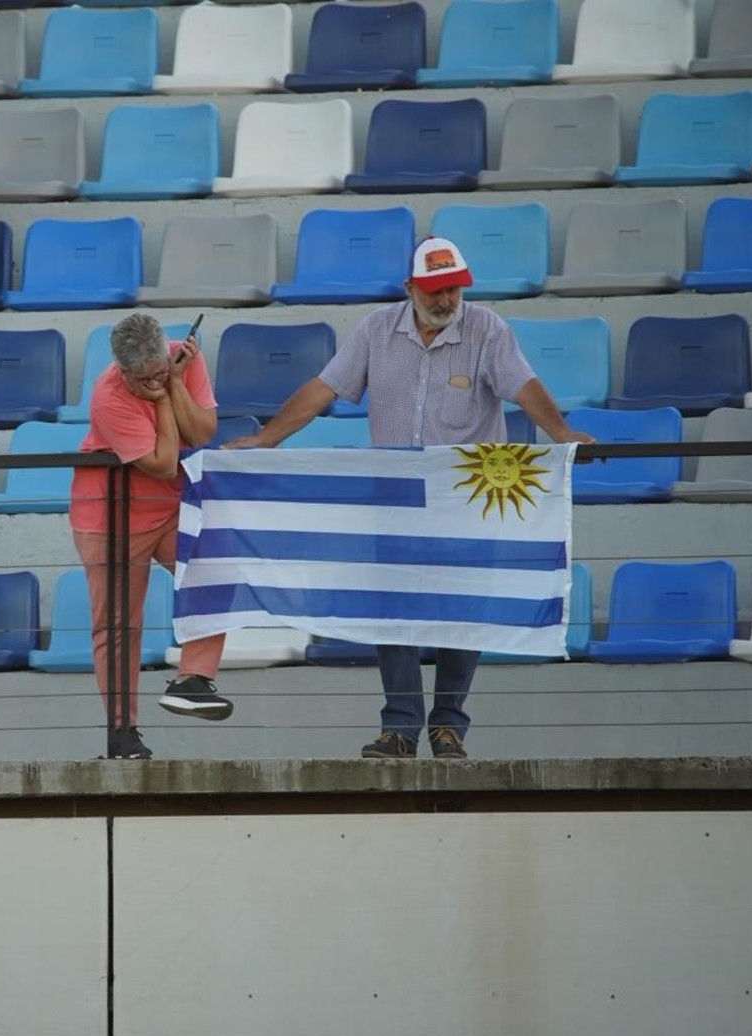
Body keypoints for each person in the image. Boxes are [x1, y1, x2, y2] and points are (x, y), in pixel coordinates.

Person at [228, 237, 593, 761]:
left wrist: (560, 432)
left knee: (461, 612)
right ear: (410, 288)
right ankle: (400, 728)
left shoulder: (487, 327)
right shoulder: (377, 329)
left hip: (464, 500)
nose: (447, 301)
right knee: (394, 614)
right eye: (435, 291)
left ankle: (449, 727)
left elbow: (523, 385)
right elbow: (325, 388)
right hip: (395, 498)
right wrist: (267, 439)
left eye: (454, 290)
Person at [69, 313, 230, 760]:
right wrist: (164, 398)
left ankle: (194, 678)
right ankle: (122, 733)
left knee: (214, 567)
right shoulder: (107, 396)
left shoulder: (182, 357)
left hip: (169, 506)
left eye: (161, 368)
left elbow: (202, 433)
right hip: (108, 515)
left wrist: (173, 382)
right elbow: (161, 462)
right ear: (125, 373)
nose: (155, 378)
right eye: (146, 378)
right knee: (119, 624)